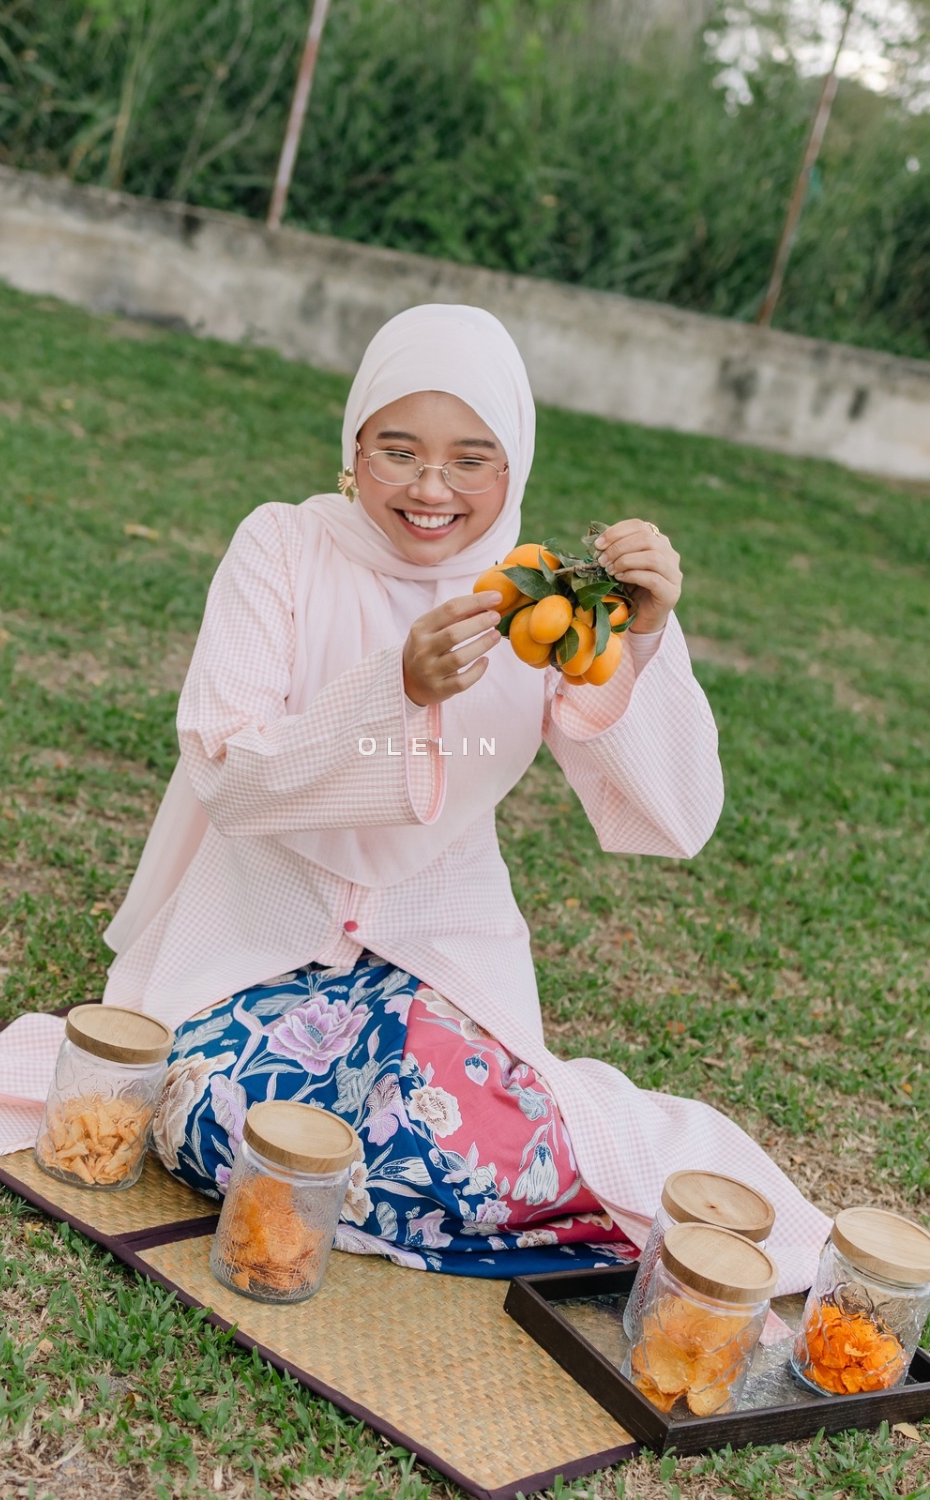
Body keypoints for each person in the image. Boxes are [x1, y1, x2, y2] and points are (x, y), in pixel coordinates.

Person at [104, 304, 829, 1287]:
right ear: (353, 449)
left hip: (435, 951)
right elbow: (225, 770)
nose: (431, 488)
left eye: (470, 461)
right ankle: (478, 1222)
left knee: (452, 1129)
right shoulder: (281, 547)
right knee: (209, 1117)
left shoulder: (538, 602)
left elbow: (675, 814)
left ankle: (569, 1199)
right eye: (398, 451)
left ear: (513, 469)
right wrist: (393, 690)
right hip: (253, 943)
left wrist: (647, 636)